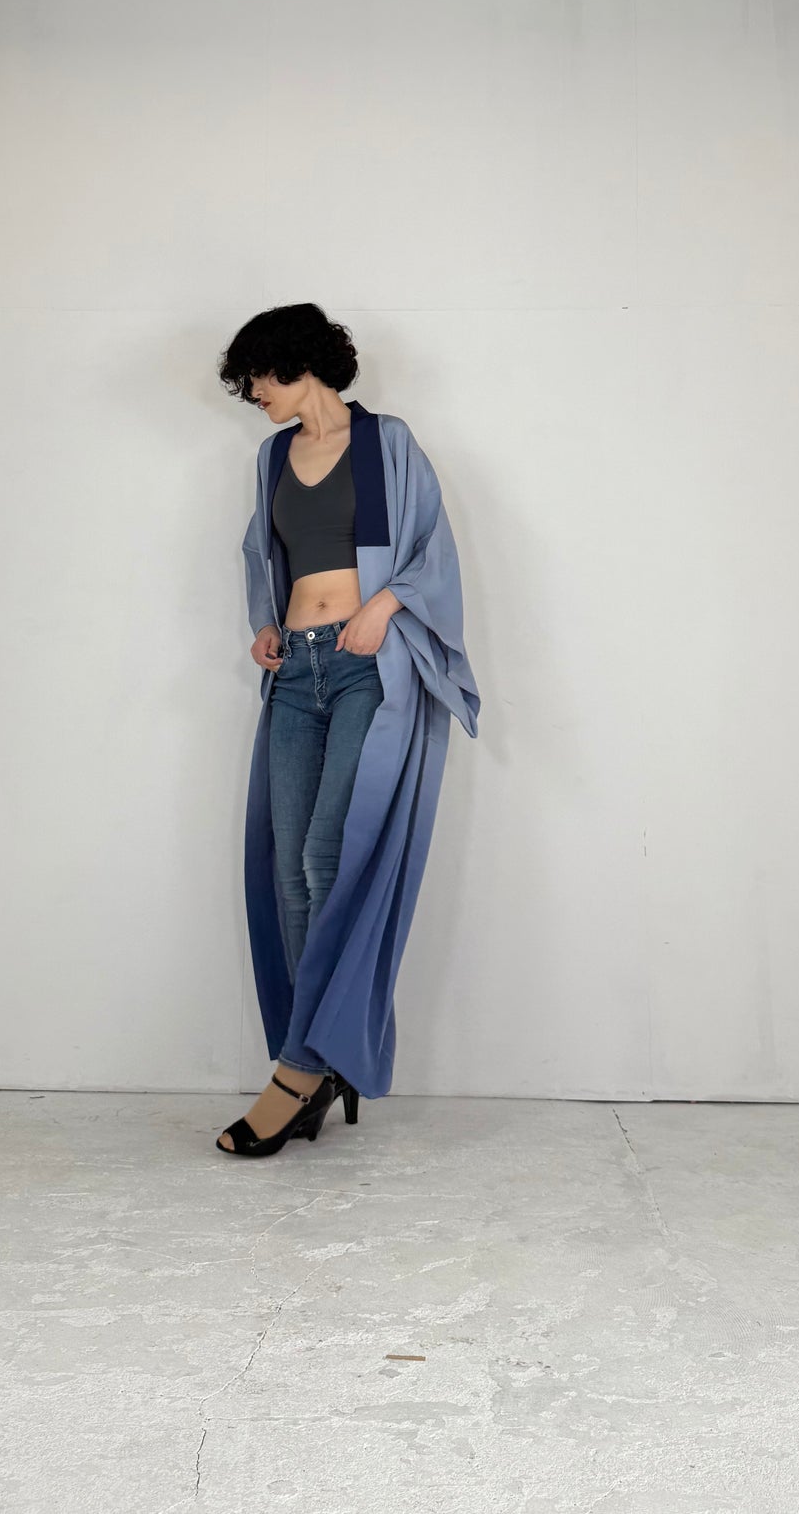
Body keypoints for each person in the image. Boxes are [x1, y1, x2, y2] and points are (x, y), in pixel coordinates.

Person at [214, 303, 480, 1157]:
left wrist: (384, 605)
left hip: (368, 666)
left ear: (298, 362)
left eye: (258, 376)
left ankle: (298, 1070)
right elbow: (262, 554)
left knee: (327, 853)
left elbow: (431, 549)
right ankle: (315, 1061)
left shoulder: (387, 443)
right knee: (290, 867)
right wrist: (266, 622)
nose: (253, 393)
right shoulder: (271, 458)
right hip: (296, 671)